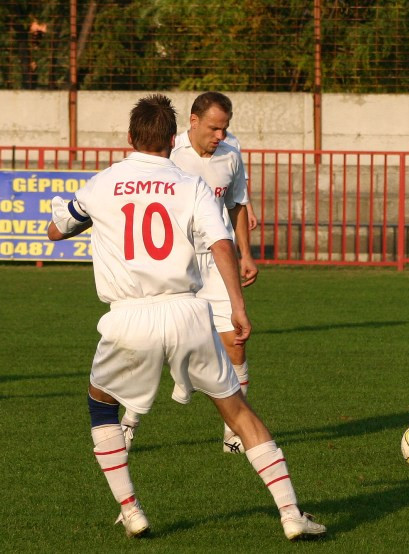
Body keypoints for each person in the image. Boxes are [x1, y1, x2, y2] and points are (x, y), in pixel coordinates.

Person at [47, 94, 325, 540]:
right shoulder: (187, 185)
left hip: (128, 317)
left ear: (131, 137)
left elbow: (58, 230)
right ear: (172, 138)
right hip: (188, 312)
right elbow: (221, 244)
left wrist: (60, 217)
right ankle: (291, 514)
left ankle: (132, 509)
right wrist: (236, 305)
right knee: (238, 412)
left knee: (101, 403)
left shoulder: (102, 184)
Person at [121, 92, 258, 454]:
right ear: (193, 122)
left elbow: (237, 204)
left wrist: (245, 253)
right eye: (214, 128)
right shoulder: (168, 153)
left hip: (217, 262)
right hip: (178, 262)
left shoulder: (232, 151)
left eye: (225, 128)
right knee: (153, 342)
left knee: (235, 342)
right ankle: (129, 423)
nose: (220, 136)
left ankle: (234, 432)